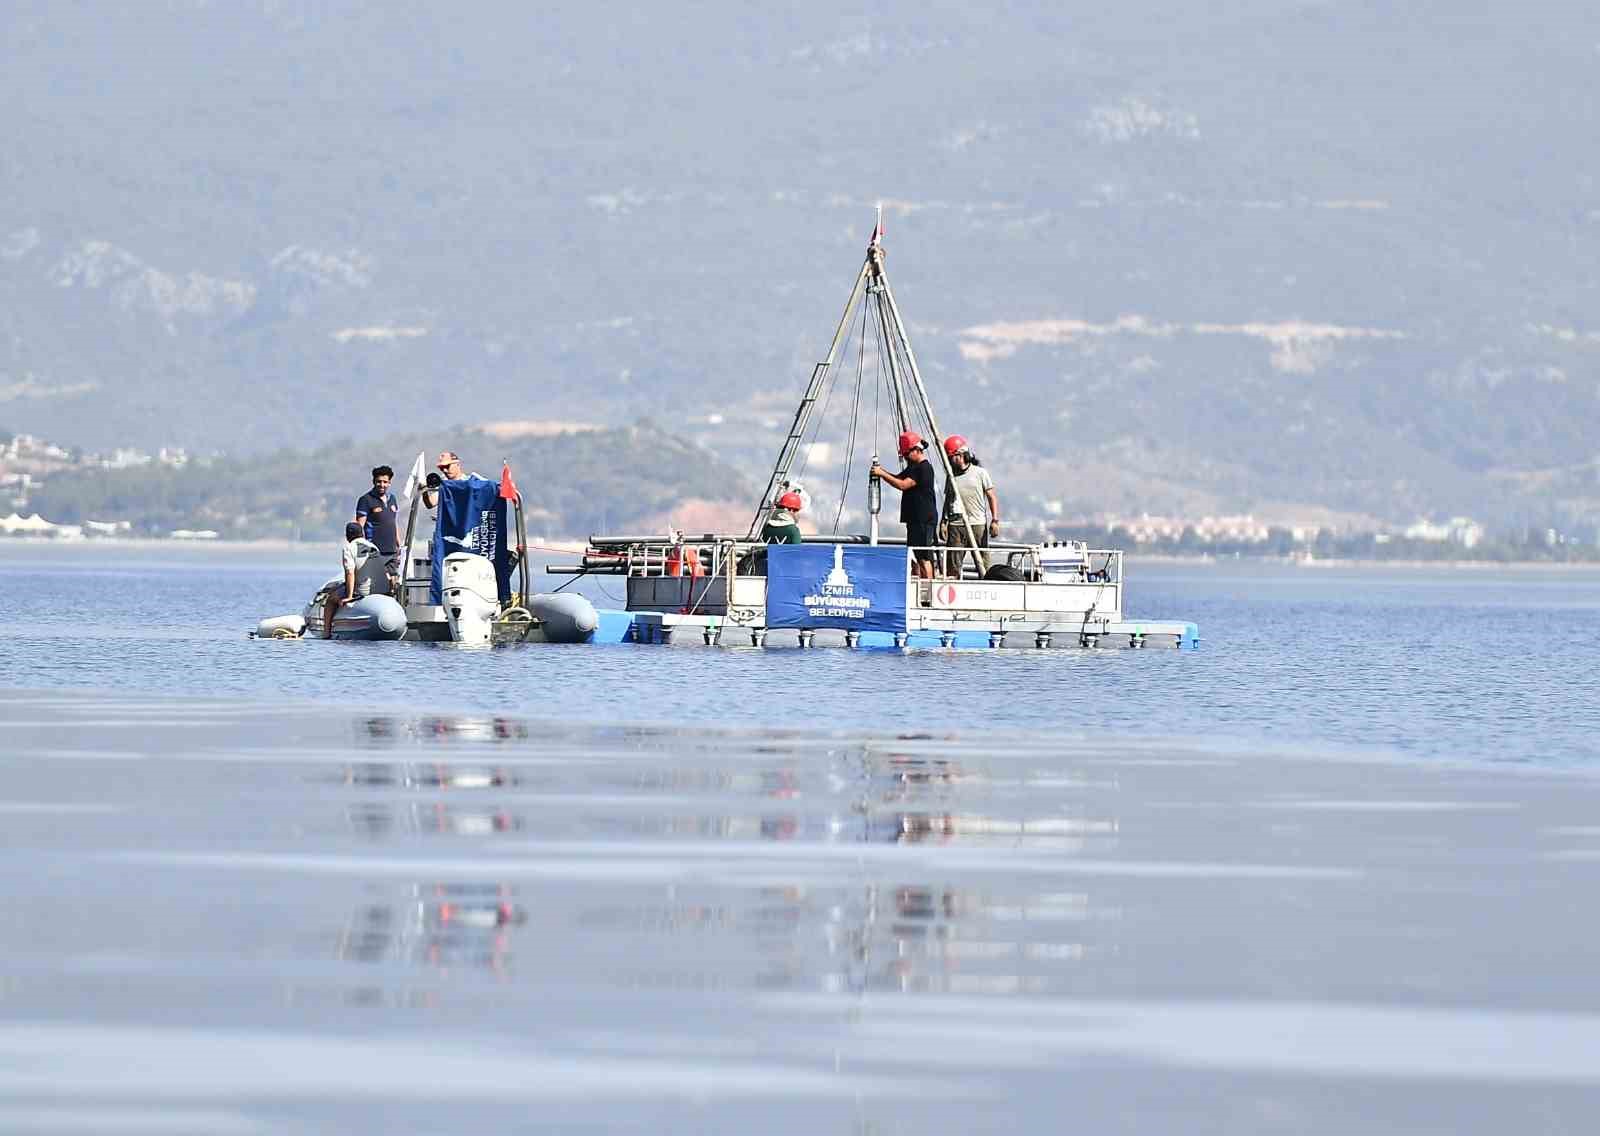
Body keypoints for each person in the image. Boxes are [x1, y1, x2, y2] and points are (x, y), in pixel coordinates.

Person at [871, 430, 939, 580]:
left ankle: (929, 590)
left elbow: (903, 484)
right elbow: (897, 478)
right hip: (913, 519)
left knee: (924, 556)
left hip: (923, 519)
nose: (906, 457)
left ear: (916, 450)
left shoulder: (924, 468)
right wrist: (881, 472)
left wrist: (882, 474)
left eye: (907, 453)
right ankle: (919, 587)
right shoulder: (912, 468)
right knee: (915, 555)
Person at [940, 435, 1001, 578]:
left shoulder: (980, 473)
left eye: (952, 457)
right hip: (956, 526)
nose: (950, 461)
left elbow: (991, 497)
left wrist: (995, 520)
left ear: (960, 455)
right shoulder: (951, 476)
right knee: (952, 566)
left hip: (977, 524)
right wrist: (944, 521)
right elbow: (948, 499)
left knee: (983, 564)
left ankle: (987, 587)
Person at [323, 522, 390, 637]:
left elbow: (350, 573)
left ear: (347, 536)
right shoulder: (373, 547)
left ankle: (326, 633)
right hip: (383, 590)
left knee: (330, 600)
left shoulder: (349, 548)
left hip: (363, 591)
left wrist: (349, 596)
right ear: (362, 533)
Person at [354, 465, 401, 587]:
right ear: (373, 482)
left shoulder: (393, 499)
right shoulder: (366, 500)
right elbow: (359, 526)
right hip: (375, 550)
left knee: (394, 581)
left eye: (385, 482)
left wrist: (398, 543)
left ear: (389, 483)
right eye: (379, 481)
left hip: (391, 549)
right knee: (381, 581)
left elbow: (393, 522)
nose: (382, 485)